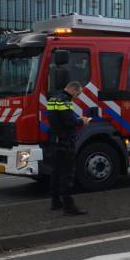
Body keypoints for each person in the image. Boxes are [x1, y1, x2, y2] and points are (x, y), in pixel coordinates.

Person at [46, 81, 91, 215]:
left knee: (55, 172)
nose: (77, 96)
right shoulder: (65, 101)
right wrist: (82, 121)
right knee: (67, 174)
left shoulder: (53, 99)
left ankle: (55, 201)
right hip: (65, 141)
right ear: (73, 89)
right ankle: (69, 207)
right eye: (78, 93)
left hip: (55, 139)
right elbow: (69, 122)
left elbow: (58, 119)